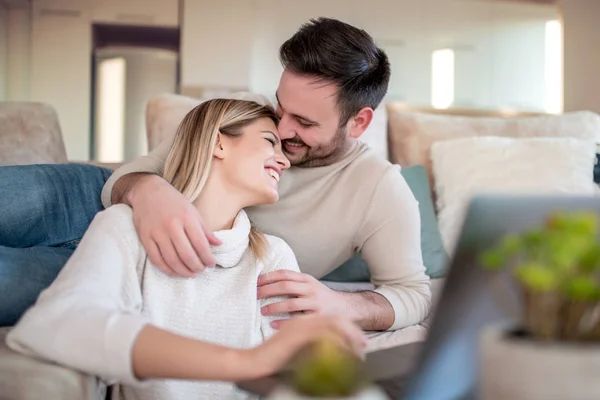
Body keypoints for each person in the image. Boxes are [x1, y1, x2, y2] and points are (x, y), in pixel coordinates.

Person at [0, 17, 430, 331]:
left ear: (358, 122)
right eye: (281, 106)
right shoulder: (245, 110)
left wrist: (340, 303)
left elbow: (413, 294)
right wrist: (150, 190)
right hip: (86, 199)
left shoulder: (379, 190)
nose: (281, 131)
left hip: (148, 271)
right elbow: (129, 175)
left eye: (304, 122)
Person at [6, 99, 367, 400]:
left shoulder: (272, 257)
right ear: (219, 143)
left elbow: (289, 378)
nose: (284, 160)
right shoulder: (124, 228)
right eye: (269, 141)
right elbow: (59, 324)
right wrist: (246, 362)